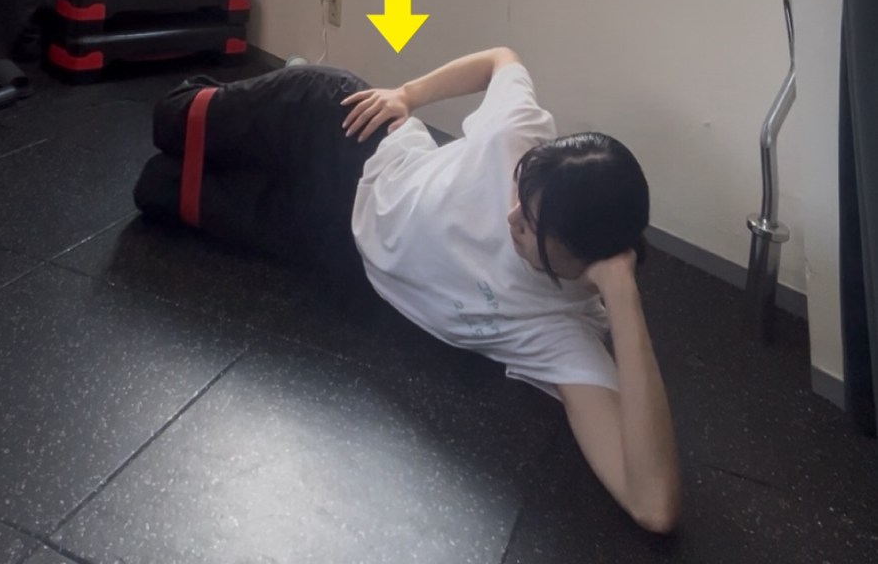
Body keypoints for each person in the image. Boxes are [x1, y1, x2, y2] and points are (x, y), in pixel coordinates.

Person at [134, 47, 681, 534]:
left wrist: (623, 294)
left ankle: (249, 131)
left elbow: (653, 506)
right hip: (353, 136)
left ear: (587, 262)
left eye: (531, 226)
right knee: (171, 120)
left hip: (330, 245)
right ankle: (267, 86)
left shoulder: (560, 332)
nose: (511, 217)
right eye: (520, 196)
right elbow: (502, 58)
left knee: (156, 188)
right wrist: (407, 94)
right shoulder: (518, 134)